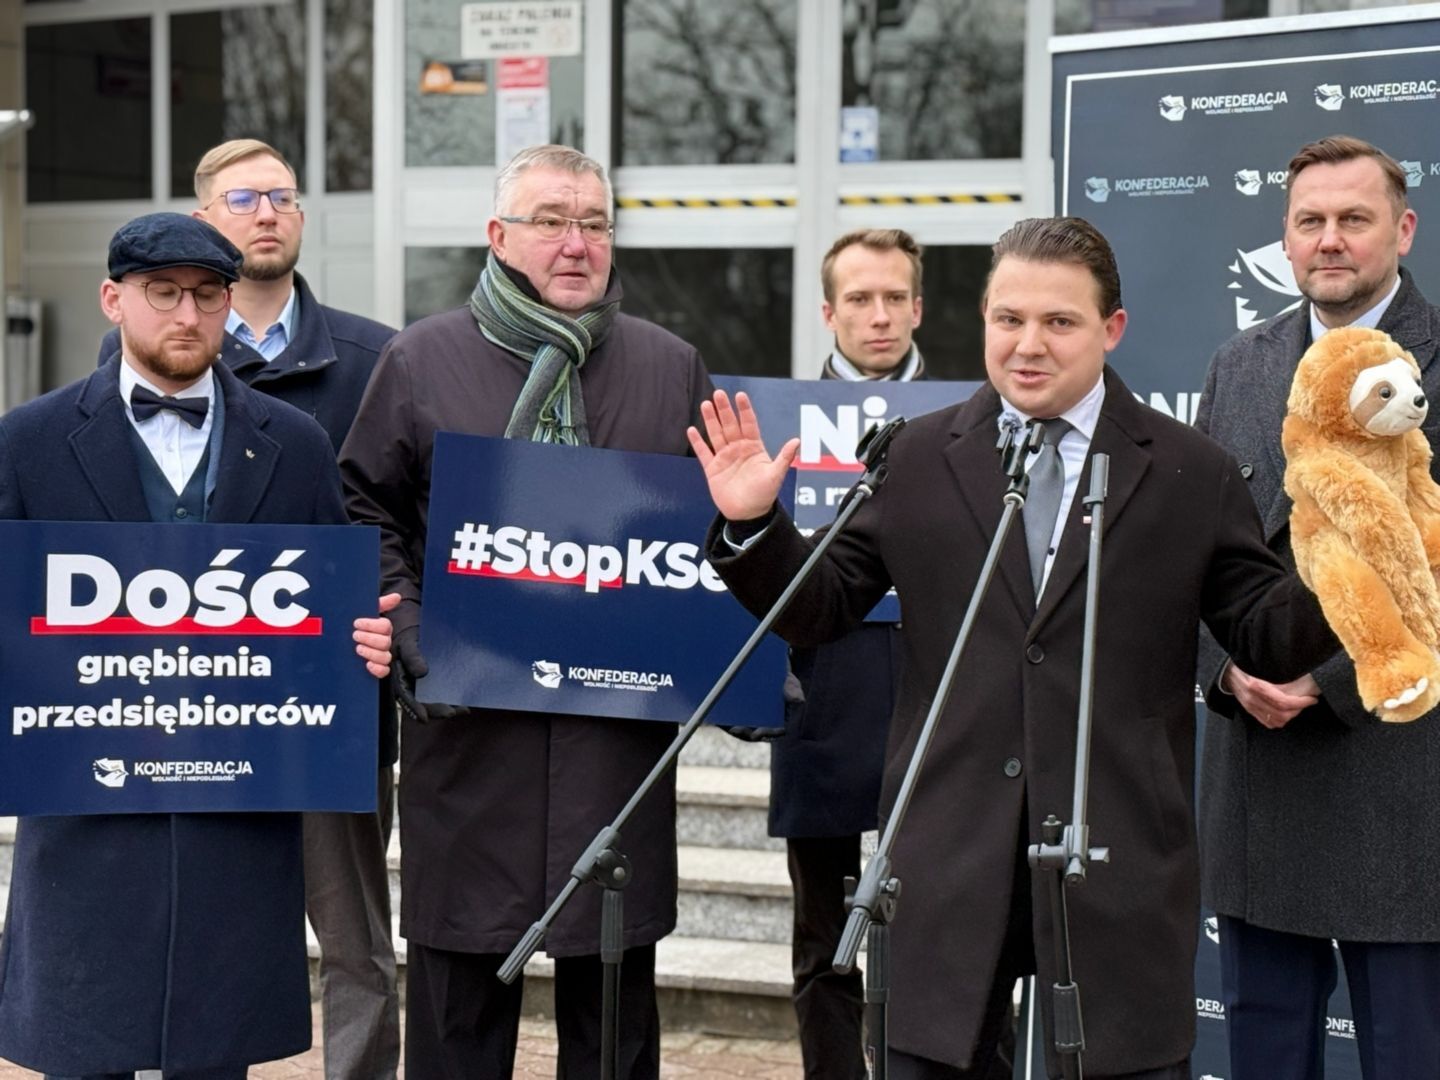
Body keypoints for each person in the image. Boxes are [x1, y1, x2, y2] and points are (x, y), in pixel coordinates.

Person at [688, 216, 1337, 1079]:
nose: (1028, 345)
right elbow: (822, 607)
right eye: (1008, 319)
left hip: (1118, 864)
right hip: (947, 863)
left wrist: (1360, 559)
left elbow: (1266, 630)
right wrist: (751, 525)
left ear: (1111, 330)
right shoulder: (917, 457)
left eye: (1059, 323)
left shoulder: (1191, 470)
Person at [340, 144, 714, 1079]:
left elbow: (708, 539)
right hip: (471, 743)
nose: (576, 243)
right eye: (551, 220)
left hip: (614, 756)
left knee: (614, 1027)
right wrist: (420, 642)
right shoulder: (421, 359)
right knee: (457, 1025)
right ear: (499, 235)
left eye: (594, 222)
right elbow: (364, 513)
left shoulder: (671, 368)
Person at [0, 212, 396, 1079]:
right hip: (86, 817)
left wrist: (358, 643)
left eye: (207, 295)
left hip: (237, 819)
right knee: (84, 1049)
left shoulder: (294, 446)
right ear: (114, 299)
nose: (188, 314)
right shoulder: (26, 443)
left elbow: (327, 618)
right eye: (163, 293)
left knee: (217, 1052)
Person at [101, 139, 401, 1080]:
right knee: (183, 914)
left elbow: (400, 518)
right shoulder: (132, 354)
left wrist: (391, 621)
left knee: (356, 933)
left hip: (319, 704)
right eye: (244, 197)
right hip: (165, 701)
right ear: (204, 222)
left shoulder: (375, 357)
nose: (268, 211)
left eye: (283, 196)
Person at [1195, 135, 1440, 1080]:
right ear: (1286, 239)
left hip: (1403, 788)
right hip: (1259, 787)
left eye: (1354, 219)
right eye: (1311, 222)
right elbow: (1195, 557)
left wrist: (1324, 681)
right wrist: (1226, 673)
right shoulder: (1238, 366)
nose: (1330, 240)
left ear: (1402, 229)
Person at [774, 228, 925, 1079]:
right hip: (821, 690)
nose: (878, 316)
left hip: (937, 692)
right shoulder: (782, 421)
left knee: (935, 926)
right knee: (823, 935)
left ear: (918, 307)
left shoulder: (972, 412)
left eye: (894, 297)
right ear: (829, 312)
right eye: (860, 300)